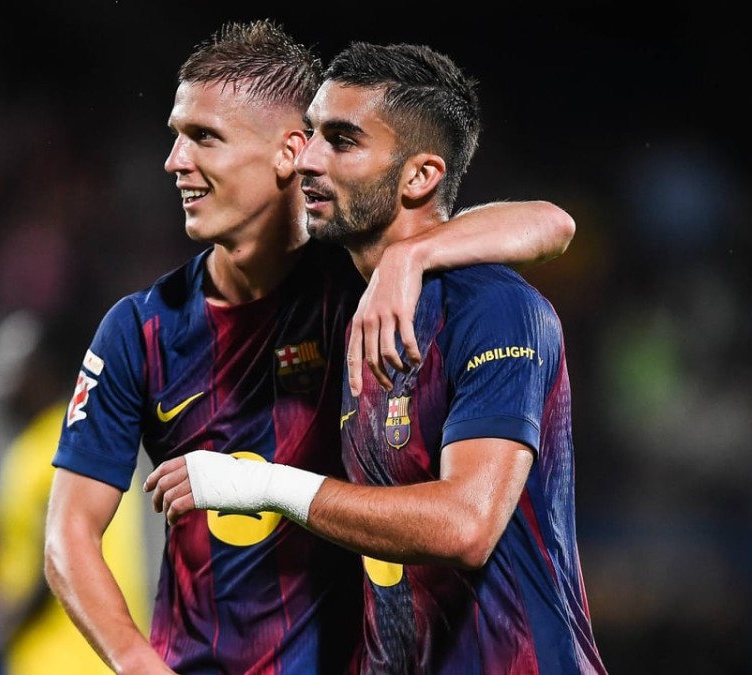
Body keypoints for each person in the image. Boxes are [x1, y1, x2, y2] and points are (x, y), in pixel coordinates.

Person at [45, 20, 576, 674]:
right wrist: (135, 660)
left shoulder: (363, 287)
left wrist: (410, 257)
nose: (174, 161)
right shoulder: (141, 329)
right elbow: (68, 531)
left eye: (204, 137)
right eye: (176, 136)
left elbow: (551, 224)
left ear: (286, 153)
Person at [0, 311, 150, 675]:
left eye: (12, 363)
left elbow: (52, 564)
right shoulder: (76, 438)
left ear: (43, 371)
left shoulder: (62, 448)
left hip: (68, 661)